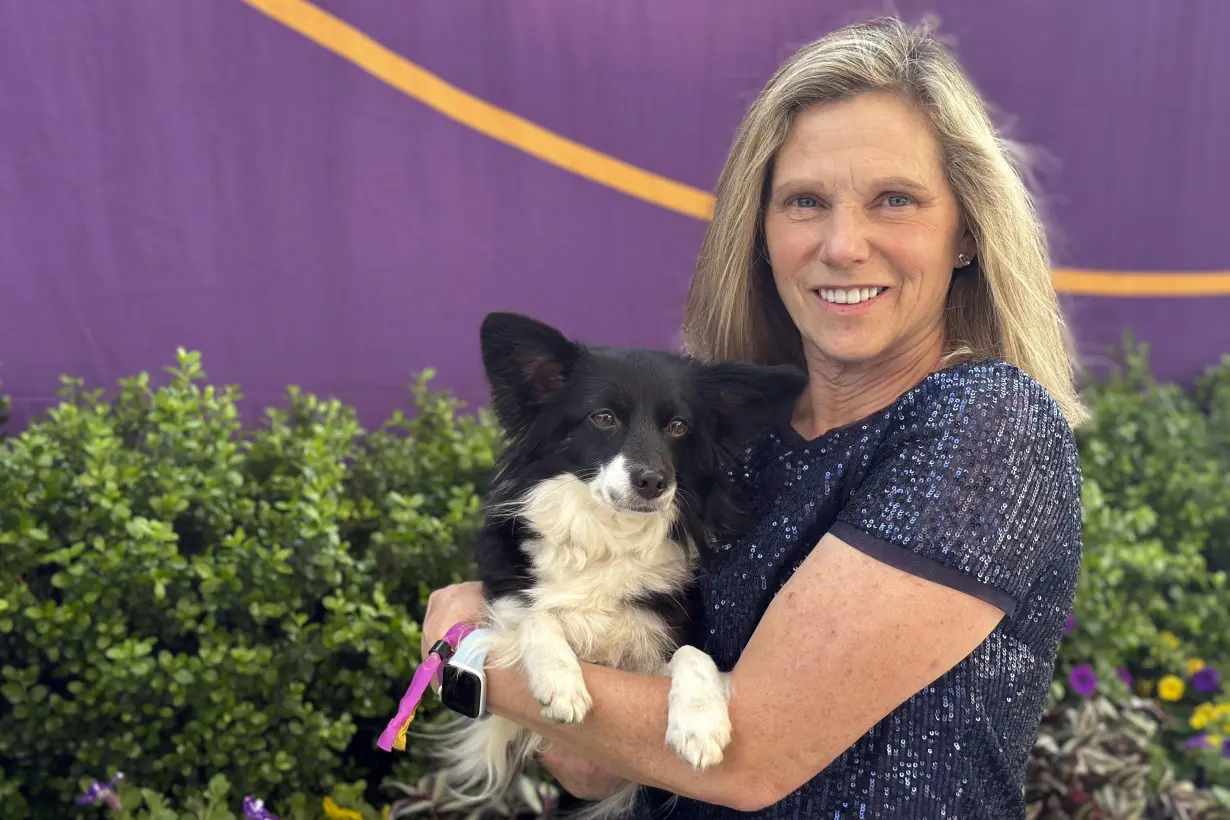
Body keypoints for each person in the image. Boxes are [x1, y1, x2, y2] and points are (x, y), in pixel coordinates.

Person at [420, 15, 1085, 819]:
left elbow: (753, 756)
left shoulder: (987, 427)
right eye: (805, 201)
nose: (843, 244)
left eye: (895, 200)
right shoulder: (724, 443)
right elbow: (590, 768)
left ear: (967, 234)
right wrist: (560, 643)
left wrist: (472, 656)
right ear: (761, 233)